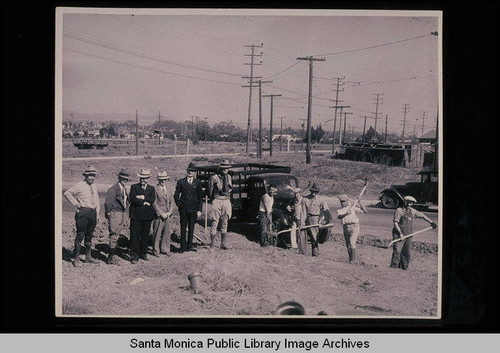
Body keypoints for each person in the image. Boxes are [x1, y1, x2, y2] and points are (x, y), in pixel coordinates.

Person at [63, 165, 100, 267]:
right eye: (90, 175)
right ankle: (76, 258)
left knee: (89, 235)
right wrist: (76, 204)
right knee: (80, 235)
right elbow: (67, 193)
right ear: (86, 176)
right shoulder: (80, 185)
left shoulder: (94, 185)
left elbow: (96, 200)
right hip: (83, 212)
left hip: (93, 213)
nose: (92, 178)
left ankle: (88, 257)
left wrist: (97, 213)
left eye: (94, 176)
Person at [390, 195, 437, 270]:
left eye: (411, 203)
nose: (409, 204)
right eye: (408, 202)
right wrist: (400, 233)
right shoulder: (399, 210)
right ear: (405, 202)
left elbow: (422, 216)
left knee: (406, 252)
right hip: (399, 234)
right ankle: (393, 268)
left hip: (409, 234)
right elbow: (395, 223)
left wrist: (431, 222)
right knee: (397, 251)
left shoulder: (413, 211)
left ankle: (403, 268)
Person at [174, 162, 204, 252]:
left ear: (195, 172)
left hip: (193, 209)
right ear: (187, 171)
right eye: (189, 170)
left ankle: (190, 245)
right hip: (183, 209)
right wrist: (179, 204)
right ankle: (182, 247)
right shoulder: (181, 182)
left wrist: (199, 210)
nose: (190, 172)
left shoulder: (197, 183)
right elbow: (176, 195)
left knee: (191, 227)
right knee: (183, 227)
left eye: (192, 171)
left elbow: (200, 197)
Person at [129, 168, 156, 264]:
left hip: (147, 216)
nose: (142, 180)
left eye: (144, 178)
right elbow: (132, 199)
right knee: (135, 235)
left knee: (145, 235)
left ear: (148, 179)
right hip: (135, 215)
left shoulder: (152, 188)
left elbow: (152, 199)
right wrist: (144, 202)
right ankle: (134, 255)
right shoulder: (134, 187)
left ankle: (143, 253)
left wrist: (143, 197)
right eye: (141, 178)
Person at [103, 169, 130, 265]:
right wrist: (109, 214)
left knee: (117, 233)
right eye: (123, 178)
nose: (125, 180)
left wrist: (126, 206)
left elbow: (127, 200)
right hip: (115, 213)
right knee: (114, 234)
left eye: (126, 179)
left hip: (121, 213)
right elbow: (108, 203)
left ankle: (112, 255)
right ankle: (110, 257)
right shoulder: (113, 189)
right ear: (119, 178)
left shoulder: (123, 188)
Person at [207, 159, 233, 250]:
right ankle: (212, 245)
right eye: (223, 168)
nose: (225, 170)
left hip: (226, 200)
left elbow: (229, 190)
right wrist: (213, 200)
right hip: (217, 200)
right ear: (220, 168)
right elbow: (209, 190)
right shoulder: (214, 178)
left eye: (227, 168)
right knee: (215, 222)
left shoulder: (229, 177)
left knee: (225, 221)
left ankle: (223, 243)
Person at [301, 182, 330, 257]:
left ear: (317, 192)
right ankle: (303, 252)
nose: (314, 193)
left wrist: (323, 219)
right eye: (313, 191)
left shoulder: (321, 199)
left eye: (316, 192)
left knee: (314, 237)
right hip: (307, 218)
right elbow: (304, 212)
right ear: (311, 191)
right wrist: (303, 222)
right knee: (305, 235)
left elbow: (326, 209)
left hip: (316, 218)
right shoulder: (305, 199)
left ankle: (315, 253)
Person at [336, 194, 367, 263]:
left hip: (354, 226)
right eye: (341, 201)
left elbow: (365, 211)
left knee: (352, 243)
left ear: (347, 201)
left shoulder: (353, 207)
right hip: (345, 227)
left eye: (343, 201)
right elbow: (339, 217)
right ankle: (351, 259)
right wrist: (346, 214)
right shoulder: (339, 210)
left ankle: (353, 260)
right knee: (348, 245)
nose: (342, 203)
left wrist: (360, 202)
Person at [152, 170, 174, 257]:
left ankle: (165, 249)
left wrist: (170, 212)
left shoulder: (169, 188)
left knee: (167, 232)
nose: (163, 181)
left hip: (168, 214)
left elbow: (172, 201)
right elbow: (154, 202)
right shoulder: (155, 189)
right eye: (161, 179)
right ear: (158, 180)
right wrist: (161, 213)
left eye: (164, 179)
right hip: (159, 215)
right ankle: (156, 250)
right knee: (157, 232)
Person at [291, 187, 307, 255]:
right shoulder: (294, 201)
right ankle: (294, 246)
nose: (295, 195)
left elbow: (304, 211)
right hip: (295, 218)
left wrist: (303, 220)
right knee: (293, 231)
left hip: (301, 219)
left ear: (299, 193)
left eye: (296, 193)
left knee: (301, 234)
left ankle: (302, 249)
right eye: (294, 193)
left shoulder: (302, 200)